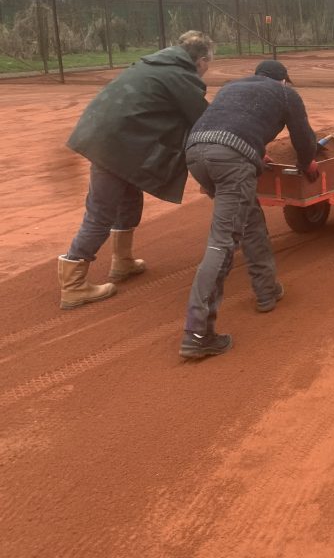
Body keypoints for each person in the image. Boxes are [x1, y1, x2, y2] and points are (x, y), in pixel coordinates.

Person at [58, 31, 213, 309]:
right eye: (209, 64)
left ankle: (123, 261)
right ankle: (73, 284)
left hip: (111, 138)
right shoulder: (179, 77)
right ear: (201, 60)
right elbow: (205, 119)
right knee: (101, 212)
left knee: (130, 197)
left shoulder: (151, 65)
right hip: (115, 145)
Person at [179, 60, 318, 359]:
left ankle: (267, 291)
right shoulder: (285, 94)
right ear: (283, 81)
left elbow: (227, 122)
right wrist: (308, 162)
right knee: (221, 243)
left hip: (195, 151)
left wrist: (250, 153)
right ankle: (197, 333)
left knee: (249, 219)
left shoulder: (232, 87)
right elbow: (303, 137)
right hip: (230, 158)